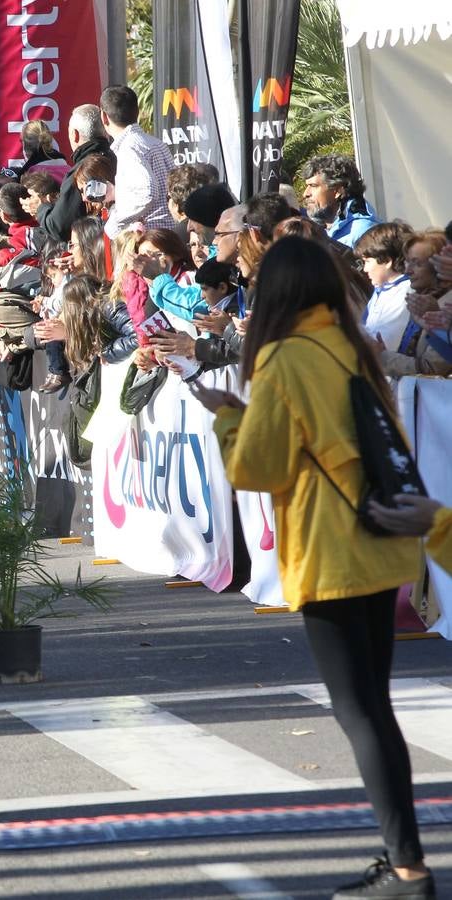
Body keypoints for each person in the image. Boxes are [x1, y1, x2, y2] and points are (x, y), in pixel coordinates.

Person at [192, 236, 435, 900]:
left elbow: (258, 467)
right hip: (379, 540)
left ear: (272, 293)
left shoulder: (282, 357)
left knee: (357, 710)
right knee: (374, 706)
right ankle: (402, 858)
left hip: (328, 552)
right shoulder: (349, 347)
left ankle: (408, 867)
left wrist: (228, 421)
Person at [99, 85, 175, 237]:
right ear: (137, 111)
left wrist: (115, 222)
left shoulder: (129, 148)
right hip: (170, 234)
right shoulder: (156, 143)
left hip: (150, 240)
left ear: (104, 117)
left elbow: (148, 192)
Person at [36, 104, 115, 247]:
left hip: (98, 254)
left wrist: (40, 208)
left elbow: (60, 227)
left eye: (87, 191)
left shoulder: (83, 171)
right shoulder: (117, 157)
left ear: (75, 134)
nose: (84, 198)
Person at [301, 154, 379, 249]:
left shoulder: (363, 233)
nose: (305, 193)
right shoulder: (316, 230)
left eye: (313, 186)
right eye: (307, 186)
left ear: (338, 190)